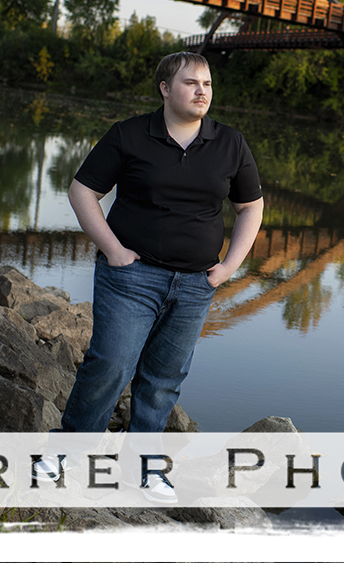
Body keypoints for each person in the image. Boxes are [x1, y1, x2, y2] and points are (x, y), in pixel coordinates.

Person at [40, 52, 264, 503]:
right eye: (190, 82)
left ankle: (144, 469)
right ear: (165, 88)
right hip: (131, 277)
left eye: (207, 83)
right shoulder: (128, 135)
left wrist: (229, 267)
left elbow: (250, 207)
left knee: (164, 377)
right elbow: (83, 191)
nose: (202, 91)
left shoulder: (230, 143)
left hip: (196, 283)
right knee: (111, 364)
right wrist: (114, 250)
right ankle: (64, 455)